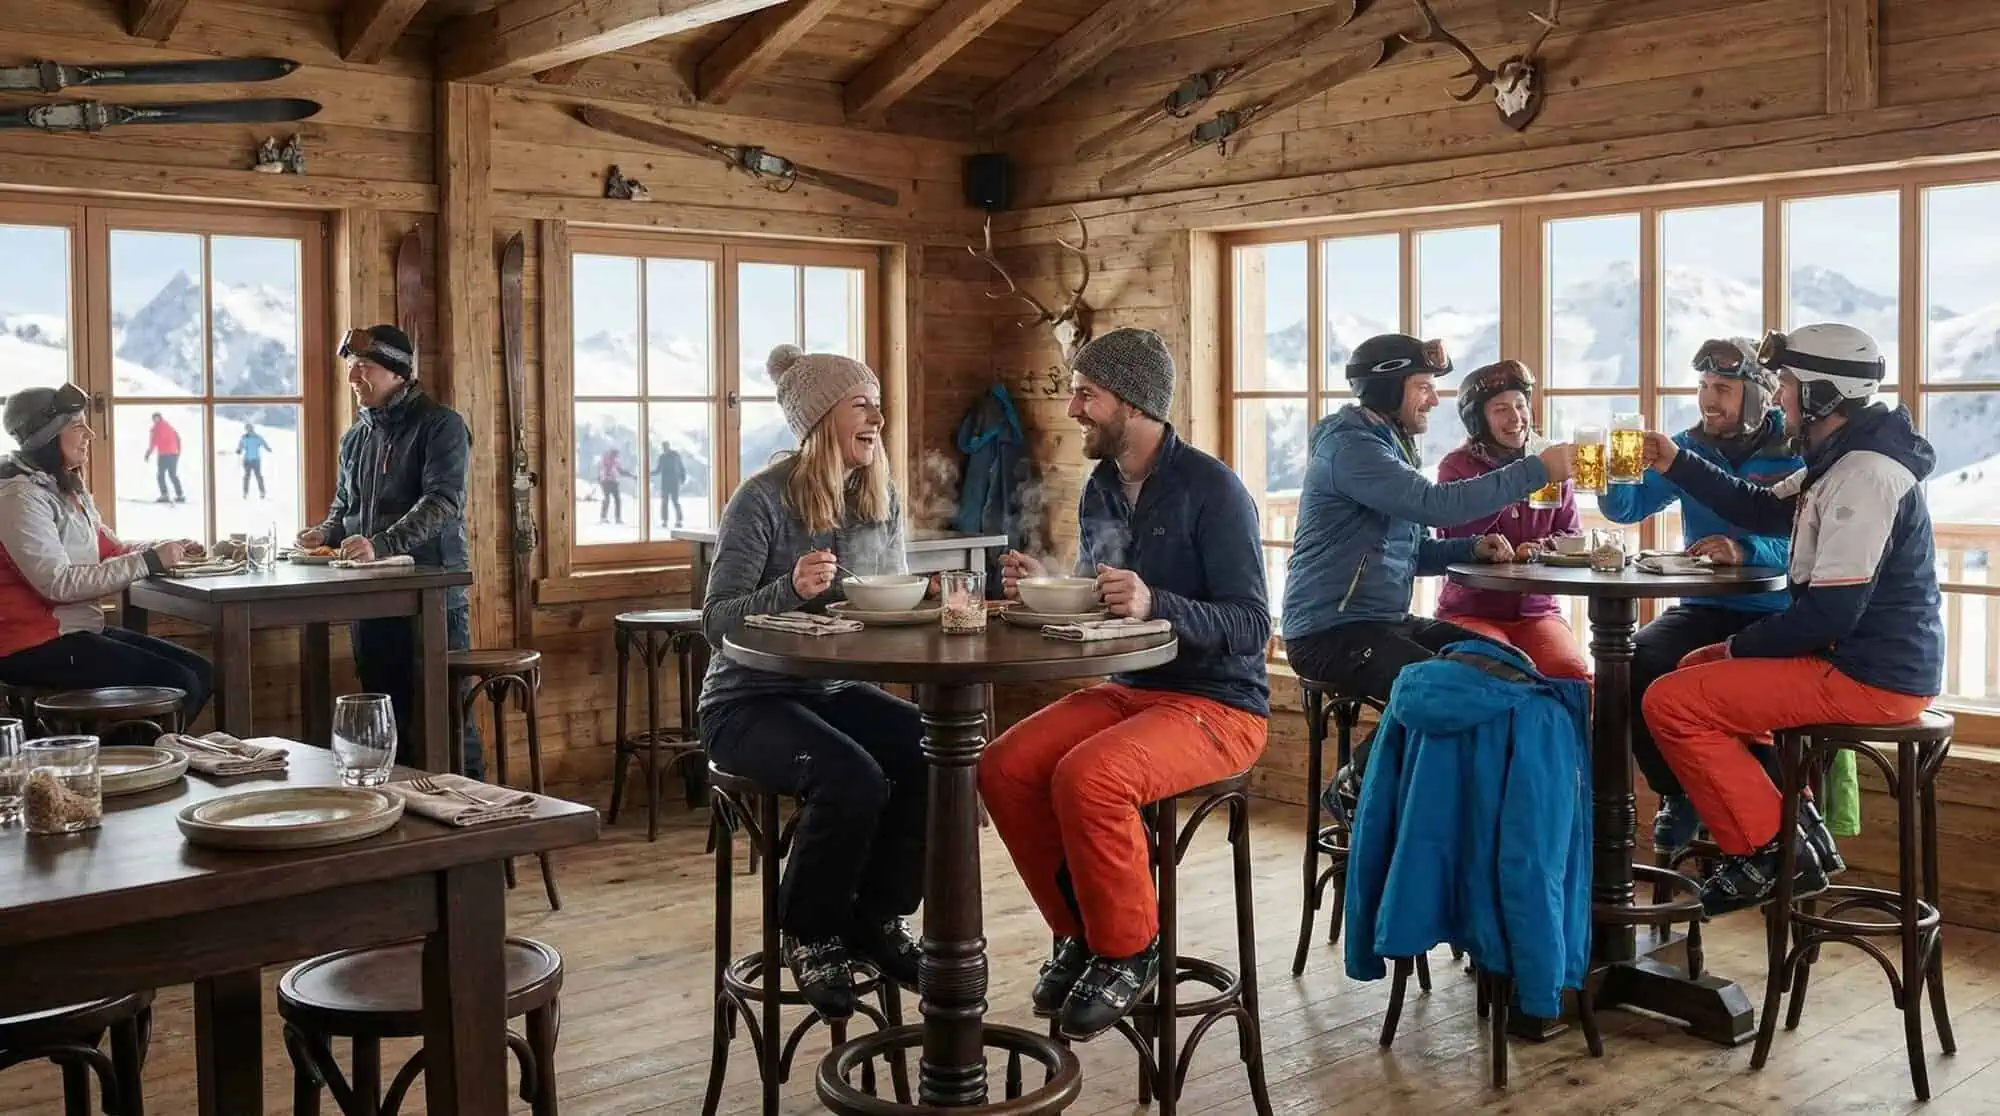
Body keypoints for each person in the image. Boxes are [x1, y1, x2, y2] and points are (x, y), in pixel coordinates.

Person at [981, 328, 1270, 1041]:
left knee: (1090, 777)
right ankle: (1081, 931)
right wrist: (1049, 588)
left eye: (1088, 393)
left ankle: (1129, 949)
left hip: (1219, 705)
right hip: (1130, 689)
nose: (1074, 407)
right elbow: (1097, 593)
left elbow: (1252, 623)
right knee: (1004, 767)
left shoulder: (1213, 489)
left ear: (1134, 404)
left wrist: (1158, 603)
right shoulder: (1103, 486)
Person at [1640, 323, 1942, 915]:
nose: (1777, 398)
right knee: (1692, 674)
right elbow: (1758, 508)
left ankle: (1772, 850)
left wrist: (1737, 647)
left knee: (1670, 702)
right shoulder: (1841, 459)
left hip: (1871, 677)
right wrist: (1678, 461)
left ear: (1822, 394)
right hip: (1860, 664)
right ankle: (1798, 824)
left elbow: (1830, 612)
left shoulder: (1865, 475)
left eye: (1785, 385)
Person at [697, 343, 926, 1020]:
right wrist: (787, 590)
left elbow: (887, 593)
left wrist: (924, 604)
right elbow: (715, 621)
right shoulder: (761, 500)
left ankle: (877, 918)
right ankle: (809, 931)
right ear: (823, 416)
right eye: (862, 403)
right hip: (745, 701)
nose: (878, 417)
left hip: (828, 691)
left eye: (877, 403)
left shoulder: (877, 499)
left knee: (930, 748)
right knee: (850, 777)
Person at [1279, 333, 1574, 823]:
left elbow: (1413, 552)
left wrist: (1471, 549)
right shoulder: (1353, 451)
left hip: (1380, 621)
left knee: (1508, 666)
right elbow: (1436, 504)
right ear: (1387, 389)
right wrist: (1535, 470)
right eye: (1423, 386)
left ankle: (1445, 811)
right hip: (1329, 632)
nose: (1435, 398)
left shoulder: (1389, 446)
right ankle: (1360, 787)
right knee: (1448, 683)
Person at [1600, 337, 1801, 854]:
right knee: (1634, 660)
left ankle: (1781, 832)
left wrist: (1745, 547)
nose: (1709, 400)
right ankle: (1679, 794)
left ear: (1758, 394)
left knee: (1743, 696)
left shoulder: (1795, 449)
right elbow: (1627, 510)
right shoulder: (1686, 447)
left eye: (1724, 389)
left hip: (1776, 614)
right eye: (1704, 387)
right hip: (1703, 607)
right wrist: (1610, 470)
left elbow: (1810, 539)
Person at [296, 325, 482, 778]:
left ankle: (477, 824)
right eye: (351, 367)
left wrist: (380, 545)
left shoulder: (442, 426)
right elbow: (346, 508)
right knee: (384, 714)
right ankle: (400, 819)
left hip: (433, 595)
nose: (354, 376)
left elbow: (442, 502)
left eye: (366, 367)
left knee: (445, 718)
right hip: (370, 597)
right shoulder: (355, 438)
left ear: (398, 373)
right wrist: (322, 534)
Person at [0, 384, 212, 730]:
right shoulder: (18, 497)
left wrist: (164, 547)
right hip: (30, 646)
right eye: (77, 426)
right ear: (47, 436)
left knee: (200, 672)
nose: (91, 434)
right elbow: (57, 584)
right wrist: (150, 562)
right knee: (181, 682)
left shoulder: (61, 486)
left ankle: (126, 761)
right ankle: (126, 767)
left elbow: (109, 550)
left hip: (72, 635)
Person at [1433, 359, 1590, 680]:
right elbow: (1451, 535)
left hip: (1537, 610)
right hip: (1470, 610)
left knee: (1570, 674)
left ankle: (1564, 733)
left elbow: (1570, 533)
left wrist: (1539, 548)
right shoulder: (1457, 467)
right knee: (1500, 671)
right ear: (1478, 420)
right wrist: (1509, 487)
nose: (1516, 417)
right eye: (1501, 409)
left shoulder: (1550, 462)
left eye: (1520, 405)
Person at [144, 411, 184, 504]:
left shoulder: (155, 429)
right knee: (172, 475)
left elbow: (153, 442)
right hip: (173, 454)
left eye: (155, 418)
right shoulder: (169, 426)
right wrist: (178, 451)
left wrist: (148, 453)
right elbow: (178, 438)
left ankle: (165, 495)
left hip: (164, 454)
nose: (155, 420)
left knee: (161, 475)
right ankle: (180, 495)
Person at [597, 448, 633, 525]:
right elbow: (603, 469)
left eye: (616, 455)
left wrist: (630, 475)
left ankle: (617, 518)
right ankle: (604, 517)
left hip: (612, 482)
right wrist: (601, 478)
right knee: (607, 499)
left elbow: (620, 471)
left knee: (617, 500)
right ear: (612, 453)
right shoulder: (605, 459)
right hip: (606, 482)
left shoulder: (615, 461)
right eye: (616, 454)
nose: (616, 456)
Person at [654, 439, 685, 528]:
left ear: (668, 446)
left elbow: (681, 466)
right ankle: (665, 521)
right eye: (663, 447)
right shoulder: (662, 457)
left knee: (674, 501)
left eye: (665, 446)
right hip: (666, 483)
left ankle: (678, 520)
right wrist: (648, 473)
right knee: (665, 502)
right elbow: (658, 470)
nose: (664, 448)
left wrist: (682, 478)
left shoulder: (675, 455)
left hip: (674, 482)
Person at [237, 422, 271, 499]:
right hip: (247, 460)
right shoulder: (244, 437)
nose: (249, 430)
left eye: (250, 429)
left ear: (252, 429)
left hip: (255, 460)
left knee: (258, 476)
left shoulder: (257, 437)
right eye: (247, 429)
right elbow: (240, 445)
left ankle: (262, 492)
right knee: (247, 476)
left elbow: (263, 443)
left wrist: (268, 448)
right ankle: (245, 492)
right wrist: (239, 450)